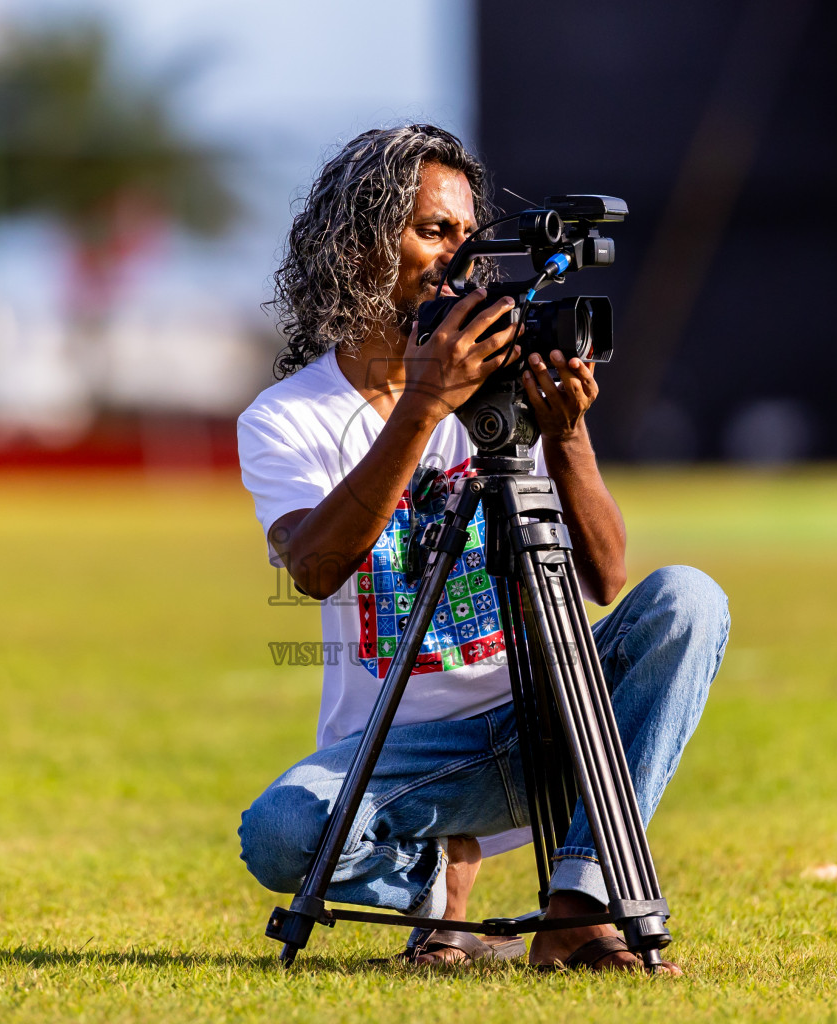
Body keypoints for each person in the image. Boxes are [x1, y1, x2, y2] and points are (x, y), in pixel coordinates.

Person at [236, 124, 729, 972]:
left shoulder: (503, 378)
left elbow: (606, 578)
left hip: (546, 722)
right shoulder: (288, 417)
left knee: (689, 600)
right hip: (405, 761)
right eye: (434, 232)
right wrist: (425, 406)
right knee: (283, 833)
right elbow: (316, 569)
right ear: (357, 249)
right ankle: (435, 888)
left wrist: (567, 437)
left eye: (469, 236)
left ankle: (577, 902)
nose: (461, 258)